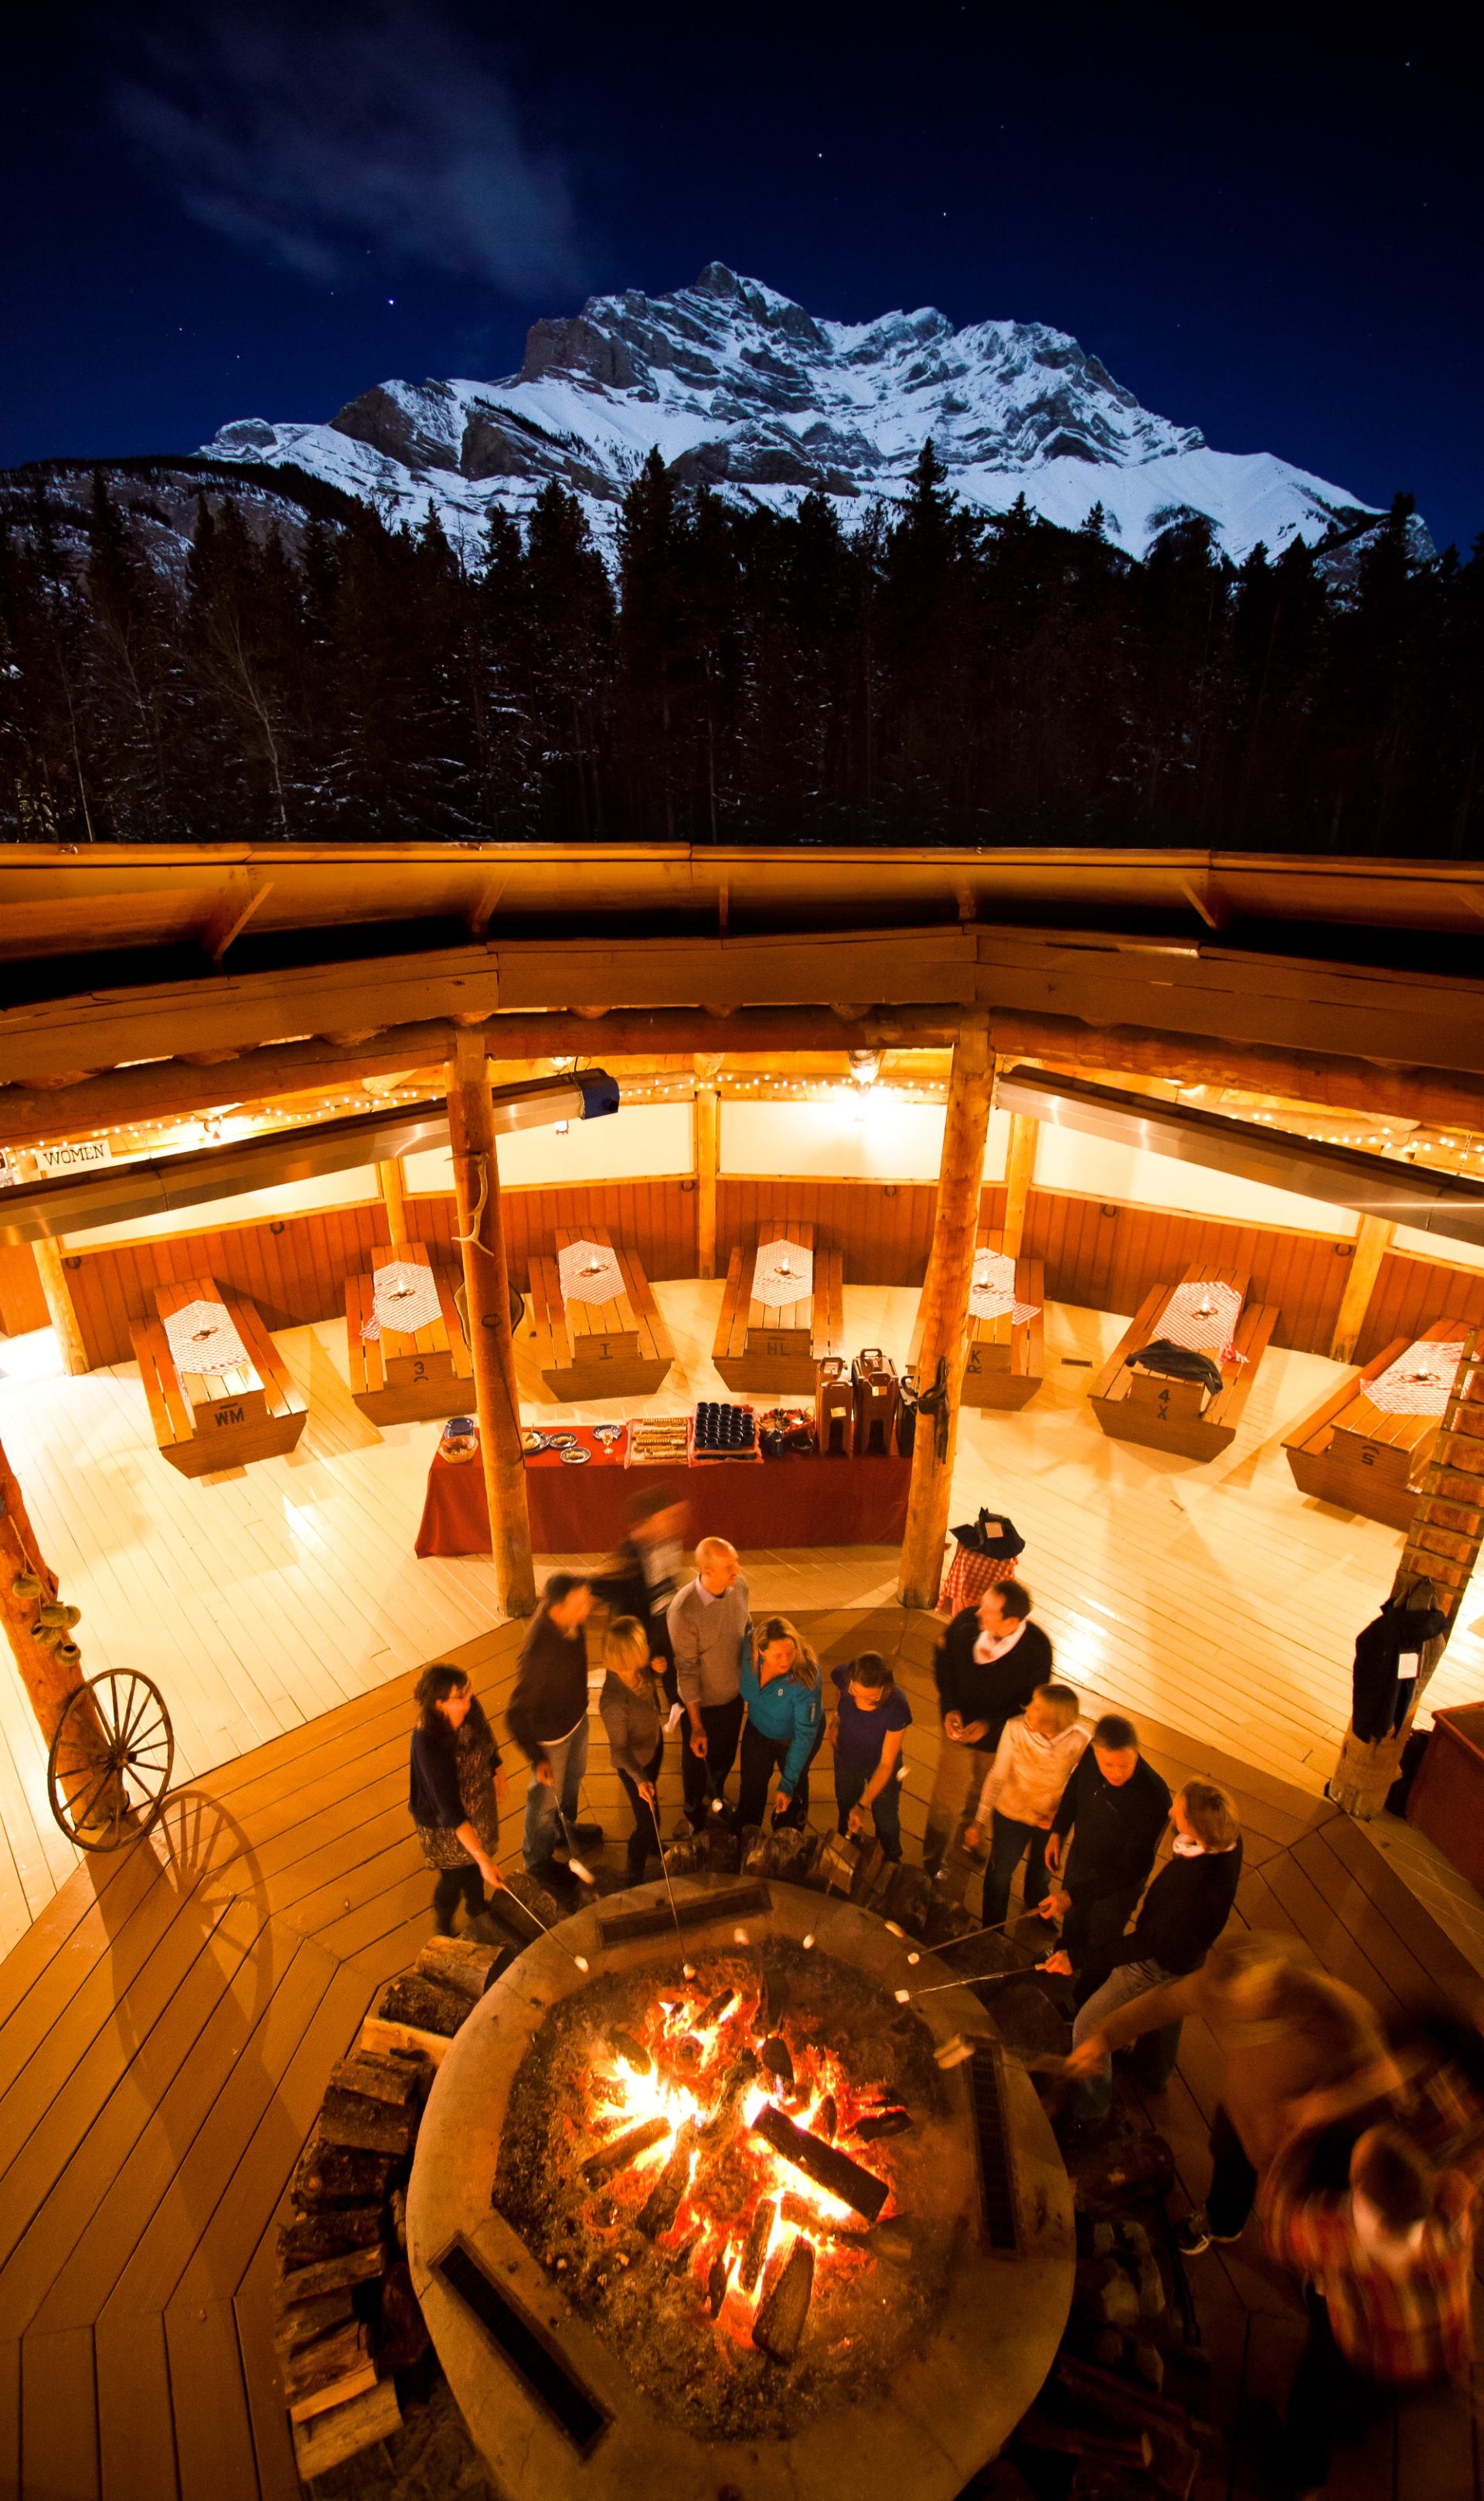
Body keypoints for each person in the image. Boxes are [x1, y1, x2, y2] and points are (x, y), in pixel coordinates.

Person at [1068, 1930, 1396, 2256]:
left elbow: (1384, 2075)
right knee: (1228, 2160)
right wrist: (1103, 2038)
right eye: (1234, 2002)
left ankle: (1320, 2264)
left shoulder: (1325, 2004)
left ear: (1273, 1979)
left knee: (1307, 2213)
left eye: (1249, 1998)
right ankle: (1223, 2222)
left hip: (1309, 2135)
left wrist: (1324, 2104)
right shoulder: (1217, 1989)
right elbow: (1161, 2004)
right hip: (1245, 2114)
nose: (1241, 2008)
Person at [1261, 2120, 1479, 2496]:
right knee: (1372, 2395)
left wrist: (1292, 2143)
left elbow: (1278, 2231)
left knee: (1317, 2390)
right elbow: (1457, 2186)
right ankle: (1354, 2425)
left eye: (1355, 2184)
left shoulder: (1341, 2236)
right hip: (1434, 2362)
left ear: (1373, 2216)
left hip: (1361, 2352)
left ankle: (1301, 2478)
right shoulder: (1454, 2225)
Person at [1056, 1779, 1243, 2121]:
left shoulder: (1195, 1890)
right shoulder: (1228, 1841)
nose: (1170, 1811)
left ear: (1198, 1830)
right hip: (1188, 1955)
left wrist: (1077, 1958)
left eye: (1178, 1810)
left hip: (1156, 1959)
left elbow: (1145, 1945)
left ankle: (1091, 2110)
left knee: (1089, 2026)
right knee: (1167, 2006)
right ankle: (1154, 2072)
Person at [923, 1580, 1053, 1886]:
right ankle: (933, 1859)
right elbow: (944, 1666)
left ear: (1012, 1621)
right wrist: (950, 1709)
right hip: (957, 1730)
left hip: (999, 1740)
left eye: (989, 1611)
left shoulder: (1036, 1650)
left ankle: (972, 1839)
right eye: (982, 1605)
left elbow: (1033, 1705)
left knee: (984, 1791)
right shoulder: (966, 1624)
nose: (977, 1612)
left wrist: (992, 1725)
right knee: (946, 1797)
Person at [1039, 1712, 1171, 1967]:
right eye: (1108, 1765)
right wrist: (1058, 1831)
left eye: (1124, 1765)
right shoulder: (1090, 1756)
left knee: (1103, 1937)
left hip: (1118, 1884)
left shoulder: (1154, 1796)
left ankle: (1086, 1993)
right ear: (1095, 1751)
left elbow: (1133, 1869)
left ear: (1136, 1753)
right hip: (1082, 1859)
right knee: (1074, 1921)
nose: (1116, 1773)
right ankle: (1061, 1958)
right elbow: (1075, 1789)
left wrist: (1074, 1895)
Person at [964, 1683, 1088, 1926]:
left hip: (1050, 1821)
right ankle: (993, 1926)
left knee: (1041, 1874)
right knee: (999, 1874)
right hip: (1010, 1814)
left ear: (1054, 1718)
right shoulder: (1015, 1728)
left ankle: (1036, 1907)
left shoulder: (1080, 1741)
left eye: (1036, 1706)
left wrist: (1059, 1815)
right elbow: (998, 1775)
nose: (1027, 1708)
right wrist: (979, 1821)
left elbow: (1080, 1786)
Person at [505, 1572, 594, 1893]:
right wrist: (537, 1757)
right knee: (543, 1801)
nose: (589, 1607)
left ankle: (564, 1829)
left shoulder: (574, 1624)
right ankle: (538, 1860)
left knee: (573, 1779)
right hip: (551, 1738)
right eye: (581, 1602)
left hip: (575, 1720)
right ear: (558, 1608)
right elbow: (515, 1714)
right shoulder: (538, 1652)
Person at [407, 1664, 507, 1934]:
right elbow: (449, 1810)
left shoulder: (469, 1707)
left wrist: (497, 1769)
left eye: (468, 1692)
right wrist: (485, 1861)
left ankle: (477, 1906)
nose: (469, 1699)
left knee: (475, 1865)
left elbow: (486, 1738)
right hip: (444, 1825)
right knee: (454, 1876)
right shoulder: (427, 1741)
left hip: (477, 1803)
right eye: (460, 1697)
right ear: (440, 1704)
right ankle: (444, 1923)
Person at [668, 1537, 751, 1829]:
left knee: (725, 1755)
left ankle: (716, 1795)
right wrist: (697, 1725)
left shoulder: (738, 1588)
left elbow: (746, 1627)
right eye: (729, 1566)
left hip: (733, 1697)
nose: (737, 1571)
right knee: (696, 1767)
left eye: (736, 1563)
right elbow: (687, 1670)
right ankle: (694, 1816)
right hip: (702, 1705)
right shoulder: (684, 1611)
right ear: (707, 1571)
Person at [589, 1487, 689, 1721]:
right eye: (666, 1518)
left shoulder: (667, 1542)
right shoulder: (630, 1556)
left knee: (669, 1665)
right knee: (641, 1679)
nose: (673, 1523)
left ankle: (675, 1701)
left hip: (663, 1619)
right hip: (638, 1633)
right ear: (647, 1522)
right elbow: (604, 1585)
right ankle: (646, 1712)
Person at [737, 1616, 825, 1831]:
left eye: (790, 1652)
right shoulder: (747, 1650)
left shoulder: (806, 1677)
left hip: (793, 1736)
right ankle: (747, 1834)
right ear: (761, 1651)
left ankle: (789, 1834)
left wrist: (787, 1783)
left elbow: (805, 1734)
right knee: (751, 1786)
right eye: (778, 1655)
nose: (786, 1661)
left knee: (793, 1789)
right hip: (758, 1729)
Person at [597, 1614, 667, 1879]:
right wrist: (639, 1779)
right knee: (647, 1822)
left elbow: (648, 1677)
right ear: (627, 1656)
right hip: (634, 1765)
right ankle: (634, 1873)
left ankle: (654, 1845)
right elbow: (620, 1749)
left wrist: (655, 1669)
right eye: (641, 1648)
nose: (646, 1651)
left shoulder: (638, 1672)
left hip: (652, 1748)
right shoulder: (613, 1702)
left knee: (654, 1805)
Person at [827, 1651, 912, 1860]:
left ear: (885, 1689)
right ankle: (847, 1855)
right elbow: (840, 1692)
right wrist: (836, 1719)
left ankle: (891, 1860)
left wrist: (862, 1805)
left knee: (886, 1819)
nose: (859, 1700)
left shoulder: (897, 1706)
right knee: (845, 1806)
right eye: (855, 1692)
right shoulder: (842, 1676)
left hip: (879, 1764)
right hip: (846, 1757)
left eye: (869, 1697)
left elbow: (886, 1764)